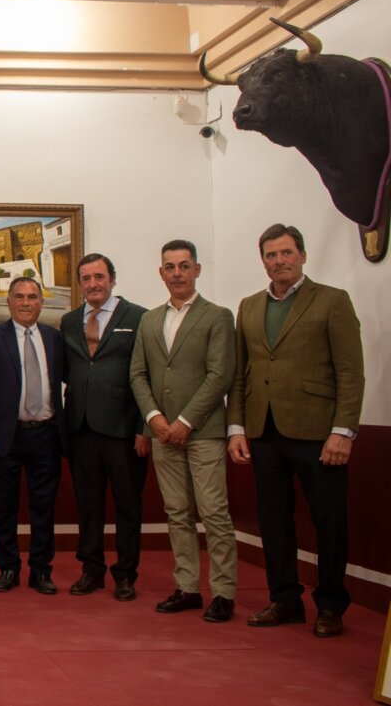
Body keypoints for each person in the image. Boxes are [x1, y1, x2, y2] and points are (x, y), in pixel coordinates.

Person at [227, 224, 364, 638]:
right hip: (264, 431)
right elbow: (241, 372)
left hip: (318, 433)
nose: (279, 261)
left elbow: (350, 372)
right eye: (271, 255)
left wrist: (343, 431)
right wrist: (237, 426)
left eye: (286, 253)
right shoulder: (250, 306)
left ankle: (331, 605)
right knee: (273, 520)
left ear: (302, 255)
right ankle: (284, 599)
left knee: (329, 520)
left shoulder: (332, 301)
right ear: (263, 261)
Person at [129, 240, 237, 623]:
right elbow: (137, 374)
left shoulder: (217, 316)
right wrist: (154, 418)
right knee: (176, 512)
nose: (177, 273)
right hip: (162, 433)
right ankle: (187, 587)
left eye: (184, 266)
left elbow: (220, 375)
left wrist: (185, 421)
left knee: (214, 512)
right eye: (170, 267)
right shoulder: (149, 320)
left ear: (197, 270)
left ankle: (223, 592)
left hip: (203, 431)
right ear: (161, 273)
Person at [0, 277, 67, 596]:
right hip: (3, 435)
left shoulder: (54, 338)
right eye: (19, 297)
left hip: (47, 434)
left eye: (32, 297)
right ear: (8, 301)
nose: (26, 302)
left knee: (44, 507)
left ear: (41, 302)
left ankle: (41, 570)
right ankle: (8, 568)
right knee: (4, 507)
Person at [60, 253, 148, 601]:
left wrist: (144, 428)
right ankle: (91, 570)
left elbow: (147, 375)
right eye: (86, 278)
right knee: (88, 503)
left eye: (99, 277)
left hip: (124, 428)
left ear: (112, 279)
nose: (93, 284)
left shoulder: (138, 317)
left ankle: (125, 574)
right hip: (80, 427)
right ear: (79, 283)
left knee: (128, 504)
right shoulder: (69, 321)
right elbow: (68, 370)